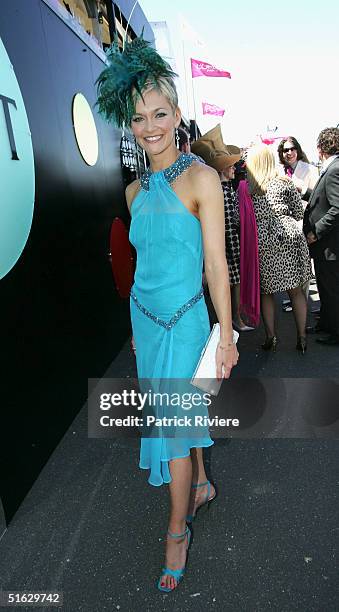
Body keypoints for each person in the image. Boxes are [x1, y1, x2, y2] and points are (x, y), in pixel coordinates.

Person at [96, 36, 238, 592]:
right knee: (181, 422)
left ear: (177, 115)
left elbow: (217, 268)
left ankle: (176, 530)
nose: (149, 126)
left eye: (159, 113)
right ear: (128, 125)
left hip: (186, 324)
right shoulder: (133, 192)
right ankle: (202, 483)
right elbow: (142, 266)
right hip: (146, 324)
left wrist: (227, 335)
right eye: (137, 118)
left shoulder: (202, 178)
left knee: (173, 426)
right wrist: (134, 328)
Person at [246, 145, 312, 352]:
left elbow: (243, 219)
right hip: (288, 235)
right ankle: (302, 338)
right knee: (296, 291)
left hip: (264, 240)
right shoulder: (285, 182)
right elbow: (299, 212)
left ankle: (271, 338)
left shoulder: (249, 189)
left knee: (266, 292)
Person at [191, 125, 254, 331]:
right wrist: (233, 251)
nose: (234, 168)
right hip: (227, 247)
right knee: (228, 283)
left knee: (225, 283)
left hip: (225, 247)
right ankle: (233, 319)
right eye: (231, 165)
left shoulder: (223, 189)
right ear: (223, 169)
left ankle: (231, 319)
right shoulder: (223, 190)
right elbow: (226, 224)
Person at [303, 127, 339, 346]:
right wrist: (306, 193)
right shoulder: (332, 168)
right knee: (326, 287)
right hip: (327, 244)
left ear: (320, 149)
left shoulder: (334, 169)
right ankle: (326, 324)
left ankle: (335, 331)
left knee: (331, 288)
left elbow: (337, 207)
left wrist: (316, 232)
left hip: (330, 244)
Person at [277, 136, 319, 203]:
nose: (289, 153)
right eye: (286, 150)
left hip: (304, 212)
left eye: (292, 149)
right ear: (281, 153)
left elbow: (317, 197)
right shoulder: (277, 171)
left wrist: (301, 189)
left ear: (297, 150)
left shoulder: (311, 170)